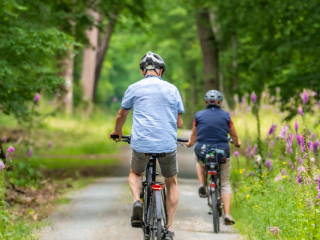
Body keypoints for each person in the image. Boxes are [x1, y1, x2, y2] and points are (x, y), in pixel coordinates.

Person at [110, 51, 184, 240]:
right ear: (161, 71)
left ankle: (137, 201)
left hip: (141, 143)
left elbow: (121, 115)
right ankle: (168, 228)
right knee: (171, 182)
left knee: (135, 173)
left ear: (144, 71)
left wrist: (118, 131)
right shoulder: (172, 89)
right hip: (167, 145)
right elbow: (179, 123)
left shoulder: (134, 88)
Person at [185, 90, 241, 225]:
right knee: (225, 183)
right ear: (219, 102)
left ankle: (202, 184)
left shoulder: (198, 116)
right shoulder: (226, 116)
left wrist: (190, 143)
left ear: (206, 102)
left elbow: (194, 136)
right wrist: (238, 143)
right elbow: (233, 135)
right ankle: (227, 214)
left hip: (203, 152)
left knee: (198, 161)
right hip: (222, 152)